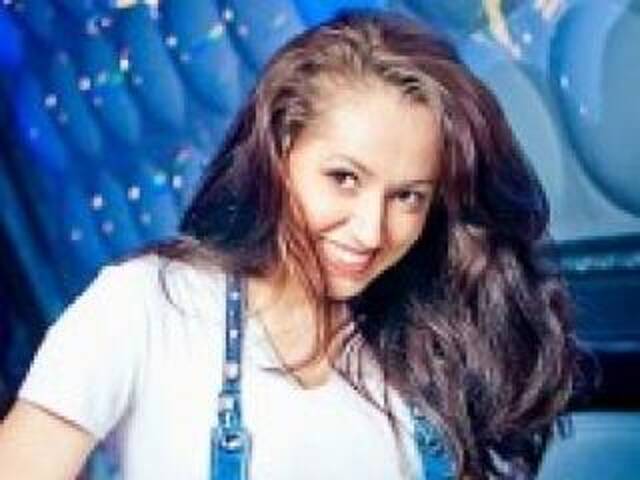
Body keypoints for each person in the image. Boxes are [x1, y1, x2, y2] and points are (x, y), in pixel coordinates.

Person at [0, 9, 581, 480]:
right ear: (279, 152)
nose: (370, 231)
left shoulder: (433, 348)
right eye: (343, 179)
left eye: (407, 197)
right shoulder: (148, 306)